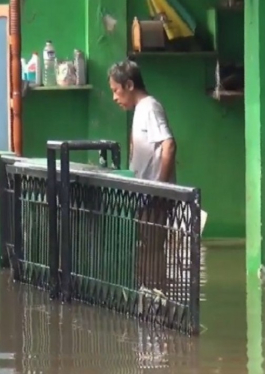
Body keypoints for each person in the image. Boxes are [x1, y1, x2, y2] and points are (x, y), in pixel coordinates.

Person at [108, 60, 176, 294]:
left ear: (129, 85)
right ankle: (148, 294)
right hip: (145, 194)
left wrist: (161, 188)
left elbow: (168, 145)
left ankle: (157, 295)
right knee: (147, 247)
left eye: (116, 91)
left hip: (154, 195)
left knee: (153, 247)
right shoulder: (140, 110)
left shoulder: (150, 107)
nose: (114, 98)